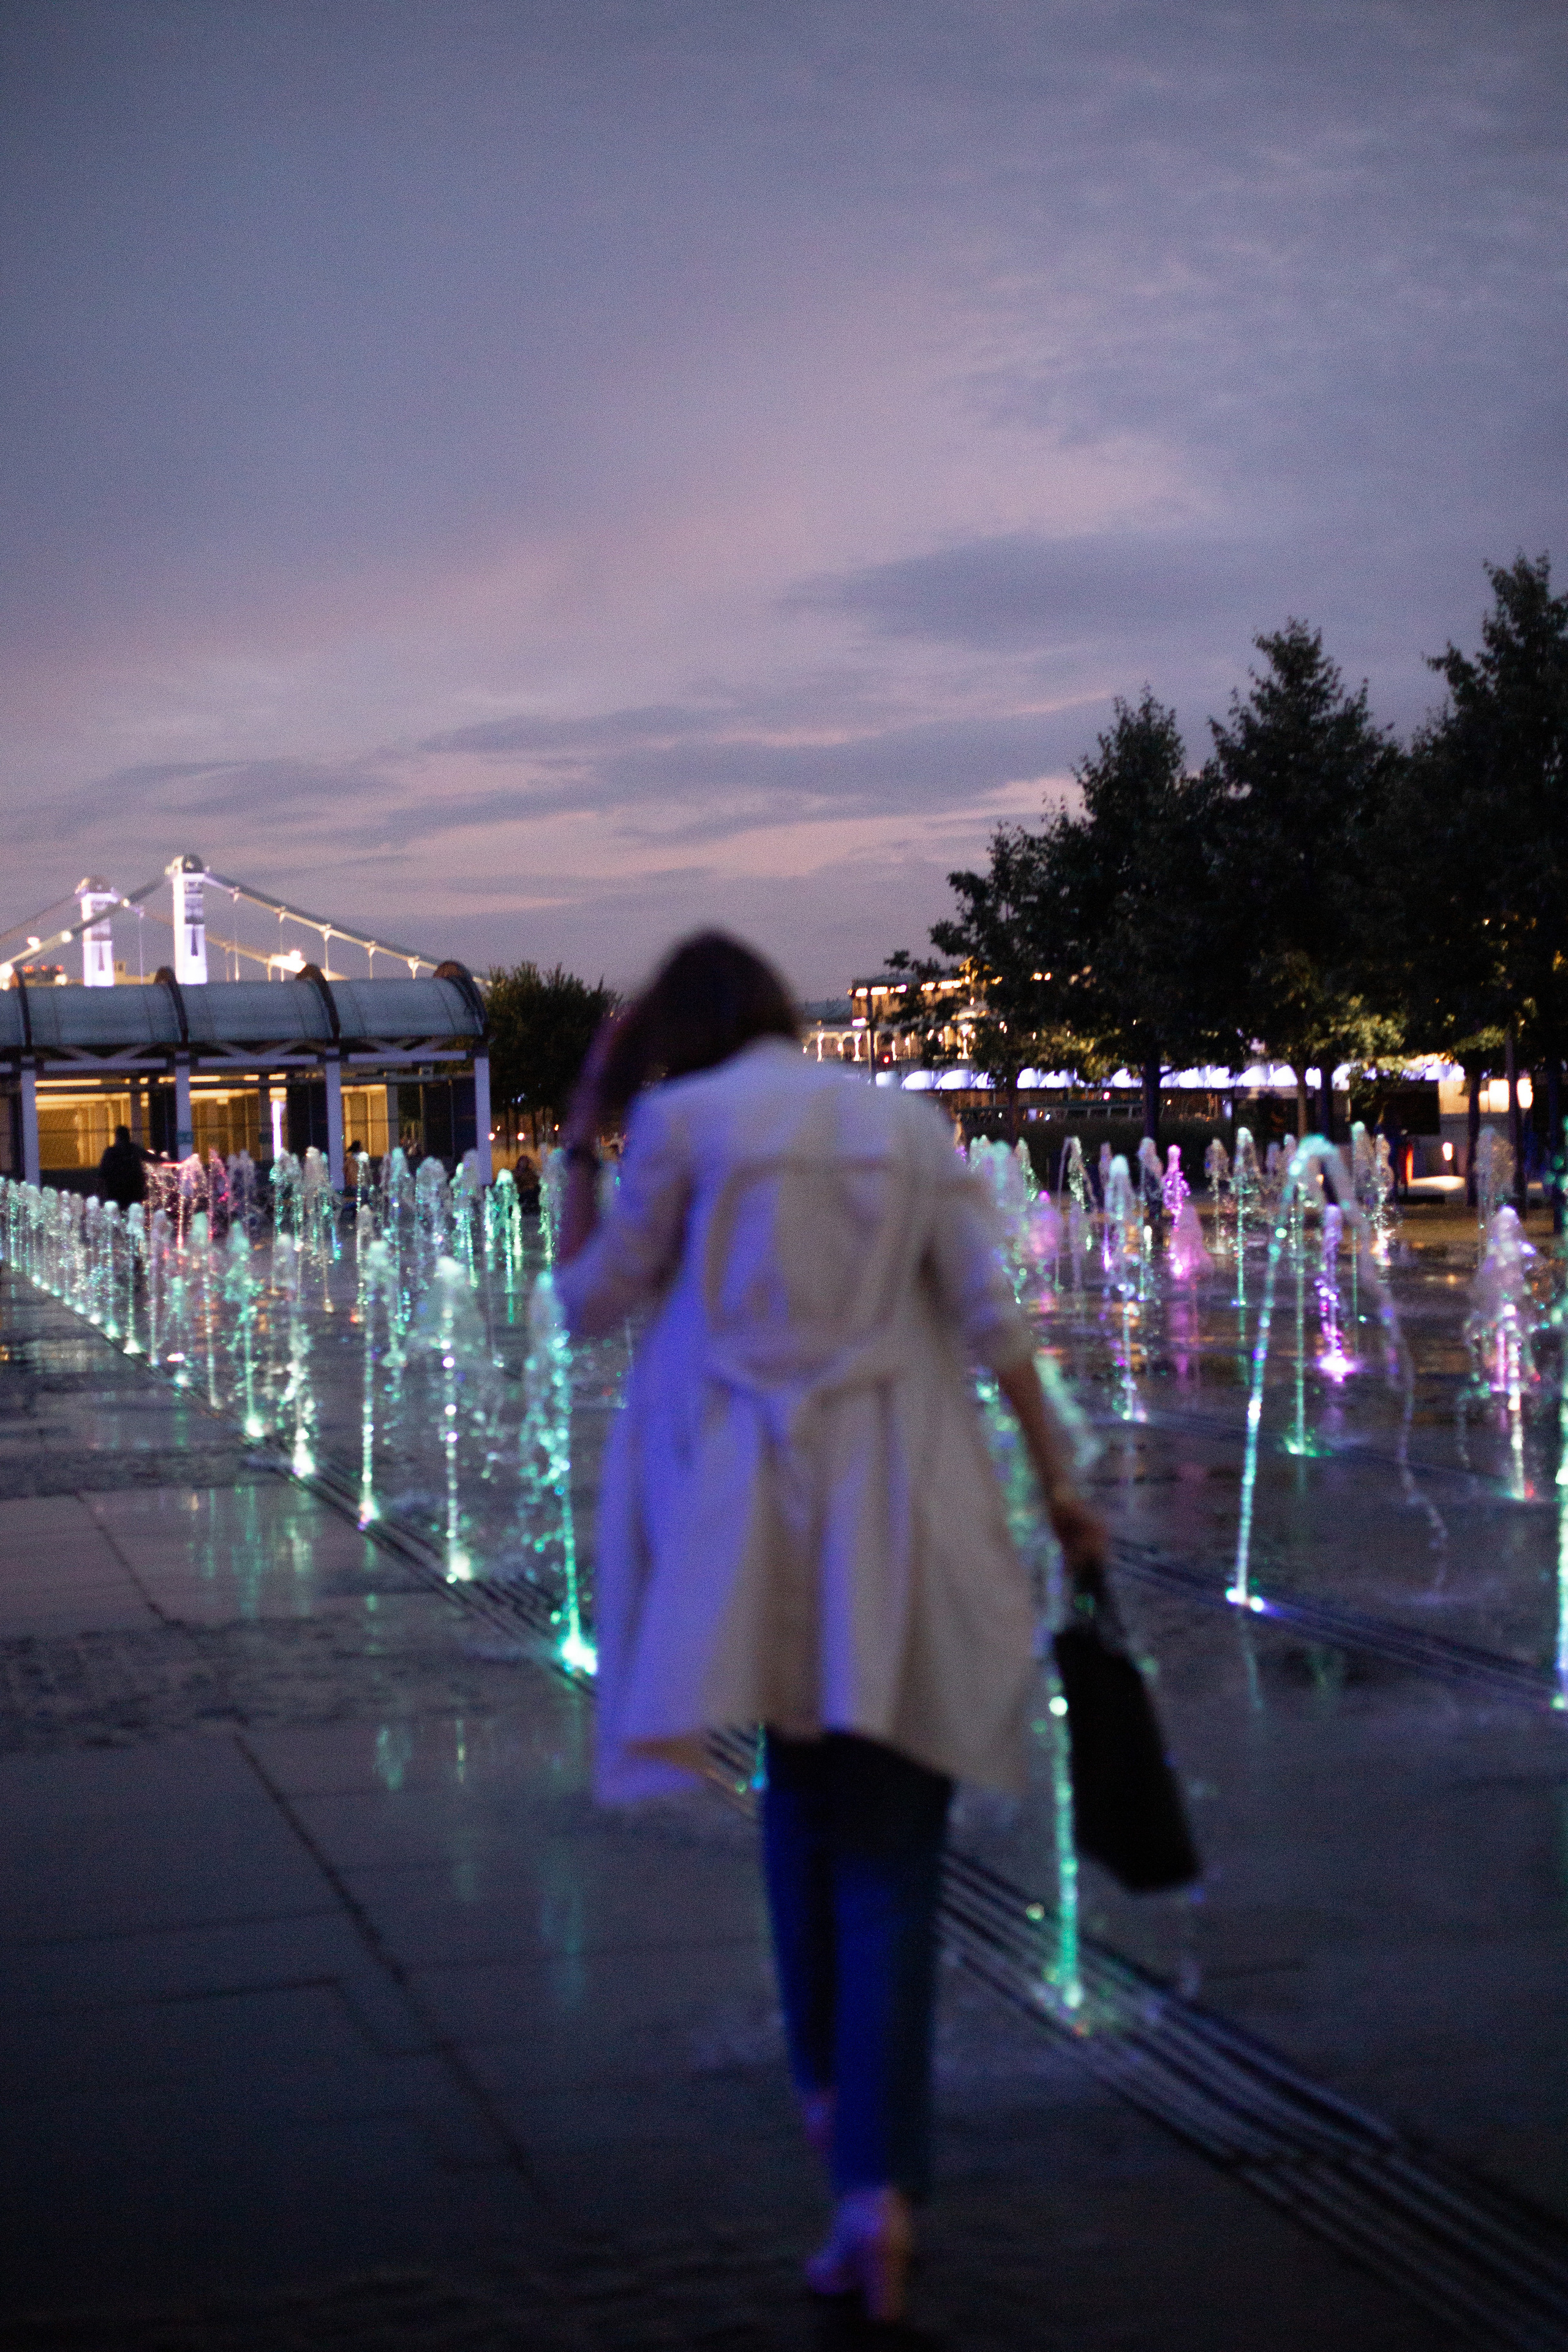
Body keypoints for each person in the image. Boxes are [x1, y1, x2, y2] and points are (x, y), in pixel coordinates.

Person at [553, 932, 1107, 2328]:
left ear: (673, 1031)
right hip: (906, 1506)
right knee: (885, 1847)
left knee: (799, 1806)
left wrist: (576, 1142)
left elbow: (584, 1301)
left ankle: (833, 2120)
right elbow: (992, 1325)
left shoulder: (677, 1124)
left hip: (751, 1532)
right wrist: (1060, 1486)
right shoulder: (898, 1122)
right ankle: (877, 2186)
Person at [98, 1125, 148, 1209]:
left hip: (116, 1191)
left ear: (117, 1137)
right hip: (134, 1191)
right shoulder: (134, 1149)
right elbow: (150, 1157)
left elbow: (102, 1174)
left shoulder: (110, 1152)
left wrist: (100, 1193)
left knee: (118, 1214)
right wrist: (166, 1160)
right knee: (133, 1212)